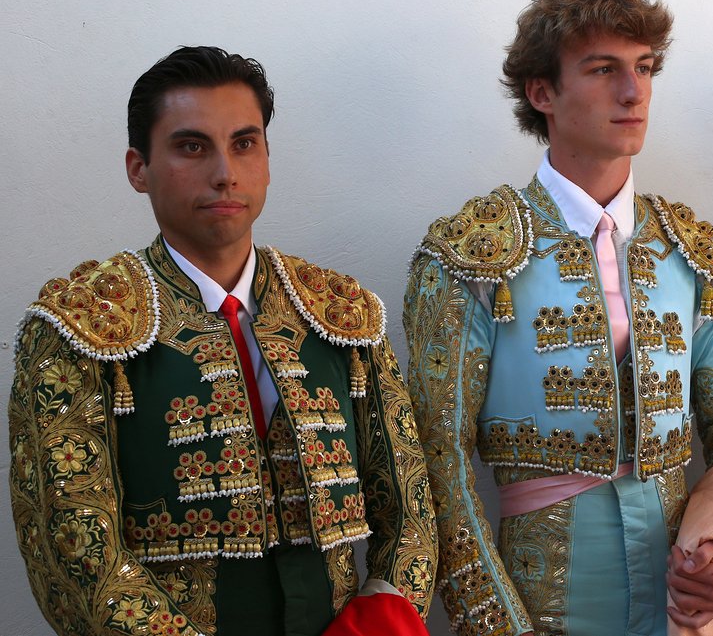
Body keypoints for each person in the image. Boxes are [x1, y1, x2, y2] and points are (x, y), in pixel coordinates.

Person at [7, 46, 437, 636]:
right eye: (191, 146)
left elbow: (409, 506)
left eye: (244, 143)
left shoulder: (342, 313)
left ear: (266, 157)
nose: (225, 173)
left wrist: (377, 622)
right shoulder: (77, 325)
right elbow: (76, 550)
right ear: (138, 168)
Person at [402, 0, 713, 635]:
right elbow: (437, 456)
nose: (634, 91)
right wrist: (499, 622)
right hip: (542, 604)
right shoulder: (472, 253)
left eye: (645, 66)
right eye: (604, 69)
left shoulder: (691, 248)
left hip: (688, 599)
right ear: (542, 91)